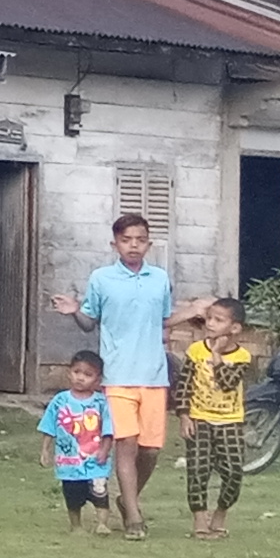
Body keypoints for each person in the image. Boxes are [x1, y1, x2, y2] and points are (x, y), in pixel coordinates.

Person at [48, 212, 174, 540]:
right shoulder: (101, 278)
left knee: (151, 450)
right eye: (126, 240)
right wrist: (74, 311)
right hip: (117, 376)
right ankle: (133, 516)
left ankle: (126, 498)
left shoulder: (160, 279)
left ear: (149, 244)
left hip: (154, 376)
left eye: (140, 240)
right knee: (126, 445)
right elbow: (89, 322)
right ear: (114, 243)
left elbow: (163, 321)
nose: (133, 245)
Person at [172, 298, 258, 540]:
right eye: (209, 318)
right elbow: (184, 385)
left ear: (235, 328)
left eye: (218, 320)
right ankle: (199, 519)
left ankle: (220, 513)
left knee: (233, 471)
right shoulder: (195, 351)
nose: (210, 324)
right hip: (199, 419)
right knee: (198, 469)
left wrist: (217, 354)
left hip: (230, 420)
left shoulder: (242, 356)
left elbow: (228, 383)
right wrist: (184, 415)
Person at [38, 351, 115, 535]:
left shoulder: (101, 402)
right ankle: (76, 526)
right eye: (76, 372)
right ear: (69, 372)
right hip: (69, 463)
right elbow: (49, 427)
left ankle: (102, 524)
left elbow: (108, 430)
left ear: (97, 380)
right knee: (72, 495)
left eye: (88, 375)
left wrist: (105, 450)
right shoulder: (60, 401)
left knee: (100, 493)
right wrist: (45, 450)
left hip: (95, 462)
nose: (80, 378)